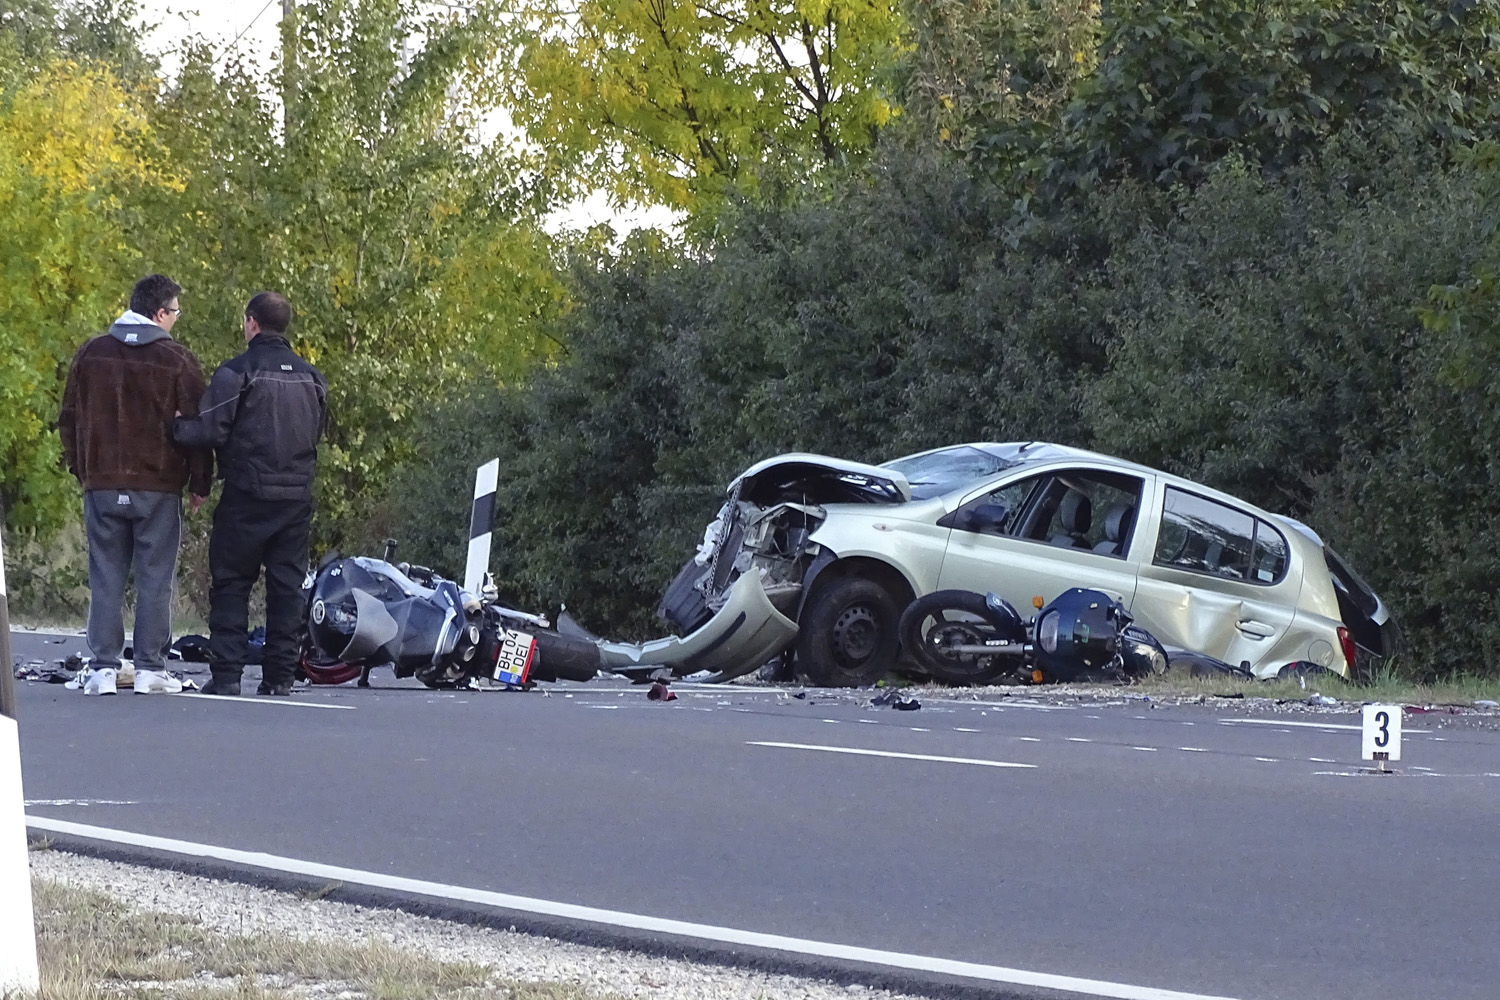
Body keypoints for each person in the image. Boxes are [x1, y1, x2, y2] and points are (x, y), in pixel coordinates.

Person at [58, 274, 212, 696]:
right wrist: (201, 480)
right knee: (155, 577)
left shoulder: (91, 353)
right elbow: (198, 425)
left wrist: (83, 469)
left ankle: (103, 667)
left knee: (105, 575)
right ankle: (149, 668)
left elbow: (68, 418)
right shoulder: (177, 360)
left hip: (102, 484)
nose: (176, 319)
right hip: (158, 486)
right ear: (160, 312)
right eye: (176, 311)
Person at [174, 292, 327, 697]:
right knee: (286, 589)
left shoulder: (236, 372)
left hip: (245, 494)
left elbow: (209, 430)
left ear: (251, 323)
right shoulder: (312, 378)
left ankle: (226, 676)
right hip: (295, 498)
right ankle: (279, 677)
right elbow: (318, 433)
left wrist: (176, 427)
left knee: (231, 584)